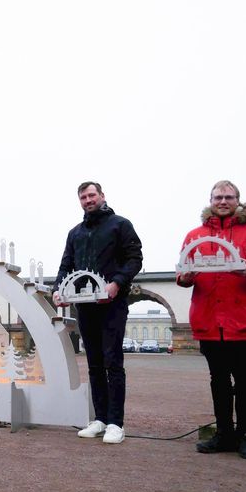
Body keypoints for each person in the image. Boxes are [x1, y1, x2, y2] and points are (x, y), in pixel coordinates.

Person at [177, 180, 246, 460]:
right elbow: (184, 270)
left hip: (241, 320)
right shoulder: (195, 235)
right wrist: (183, 278)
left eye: (228, 197)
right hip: (209, 320)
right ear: (210, 200)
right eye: (218, 197)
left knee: (245, 381)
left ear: (238, 200)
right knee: (218, 380)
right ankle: (224, 434)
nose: (223, 201)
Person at [53, 182, 142, 444]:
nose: (88, 200)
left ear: (102, 196)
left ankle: (116, 423)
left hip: (112, 304)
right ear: (80, 201)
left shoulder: (120, 225)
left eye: (92, 195)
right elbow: (66, 266)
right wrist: (59, 290)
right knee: (93, 363)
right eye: (83, 197)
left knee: (112, 361)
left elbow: (134, 259)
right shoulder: (75, 233)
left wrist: (116, 283)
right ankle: (100, 418)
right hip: (84, 305)